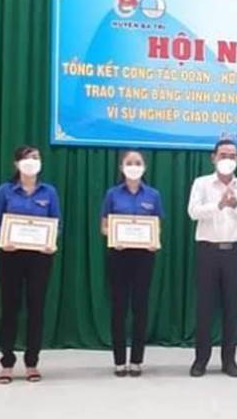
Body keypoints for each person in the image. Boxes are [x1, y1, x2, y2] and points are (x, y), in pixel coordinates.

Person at [187, 139, 237, 378]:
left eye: (232, 155)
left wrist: (236, 204)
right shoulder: (201, 183)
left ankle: (229, 360)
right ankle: (201, 360)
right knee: (205, 308)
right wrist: (218, 205)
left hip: (235, 251)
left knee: (232, 307)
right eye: (223, 155)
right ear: (213, 157)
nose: (227, 159)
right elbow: (193, 212)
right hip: (207, 250)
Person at [0, 145, 61, 384]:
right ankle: (7, 363)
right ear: (17, 163)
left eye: (36, 157)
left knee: (36, 309)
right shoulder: (5, 191)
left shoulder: (49, 192)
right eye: (28, 158)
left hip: (40, 258)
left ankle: (32, 363)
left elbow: (56, 222)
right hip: (10, 256)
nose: (32, 161)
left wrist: (51, 241)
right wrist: (2, 239)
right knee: (9, 308)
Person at [99, 150, 165, 377]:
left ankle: (136, 360)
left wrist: (154, 241)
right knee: (118, 307)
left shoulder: (153, 195)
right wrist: (113, 237)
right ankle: (119, 361)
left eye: (138, 162)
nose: (133, 166)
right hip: (118, 255)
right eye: (129, 162)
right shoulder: (112, 194)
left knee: (140, 307)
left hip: (144, 257)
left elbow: (157, 226)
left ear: (144, 167)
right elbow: (104, 226)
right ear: (122, 167)